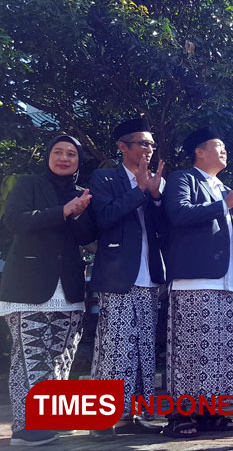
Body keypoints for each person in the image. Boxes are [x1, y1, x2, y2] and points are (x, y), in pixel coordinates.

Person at [162, 126, 233, 438]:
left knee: (220, 350)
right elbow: (179, 214)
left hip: (225, 281)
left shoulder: (221, 186)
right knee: (190, 351)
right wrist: (224, 204)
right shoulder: (184, 179)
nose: (224, 151)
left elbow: (229, 231)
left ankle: (214, 411)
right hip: (193, 279)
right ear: (199, 151)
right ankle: (182, 415)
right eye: (218, 146)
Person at [0, 135, 96, 447]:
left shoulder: (82, 194)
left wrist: (80, 213)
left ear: (79, 161)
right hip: (28, 285)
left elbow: (84, 238)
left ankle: (44, 420)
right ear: (48, 156)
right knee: (32, 357)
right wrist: (64, 211)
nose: (65, 158)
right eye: (58, 152)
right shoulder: (29, 184)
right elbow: (14, 221)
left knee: (62, 355)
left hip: (68, 288)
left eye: (71, 154)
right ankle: (30, 428)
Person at [87, 118, 167, 439]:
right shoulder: (104, 177)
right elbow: (104, 217)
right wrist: (141, 191)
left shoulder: (157, 181)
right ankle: (101, 418)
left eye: (151, 144)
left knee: (143, 349)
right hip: (119, 276)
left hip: (150, 278)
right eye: (142, 143)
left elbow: (165, 225)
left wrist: (157, 196)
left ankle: (134, 414)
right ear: (123, 147)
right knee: (114, 348)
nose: (149, 149)